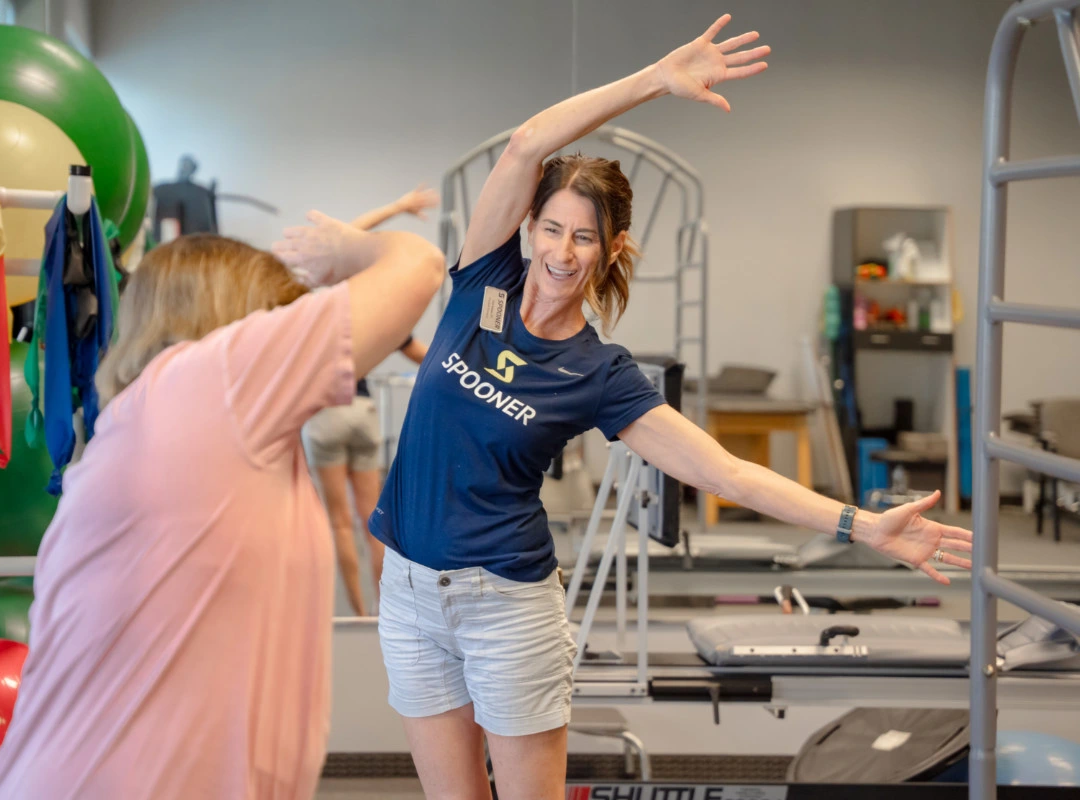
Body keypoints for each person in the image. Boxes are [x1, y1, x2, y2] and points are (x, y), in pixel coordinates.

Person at [278, 14, 974, 800]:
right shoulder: (482, 280)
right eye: (551, 228)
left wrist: (861, 526)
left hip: (505, 606)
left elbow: (727, 473)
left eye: (584, 238)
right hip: (407, 593)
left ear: (610, 249)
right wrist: (654, 80)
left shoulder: (598, 371)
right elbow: (527, 144)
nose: (561, 252)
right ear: (529, 226)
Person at [0, 227, 445, 799]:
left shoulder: (167, 417)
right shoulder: (207, 380)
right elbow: (418, 265)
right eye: (274, 313)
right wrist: (345, 250)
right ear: (231, 314)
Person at [304, 185, 437, 616]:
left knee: (340, 523)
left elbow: (347, 237)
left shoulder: (319, 305)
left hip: (325, 417)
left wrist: (396, 207)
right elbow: (426, 357)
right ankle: (383, 613)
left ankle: (359, 611)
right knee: (371, 521)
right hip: (363, 414)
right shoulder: (377, 314)